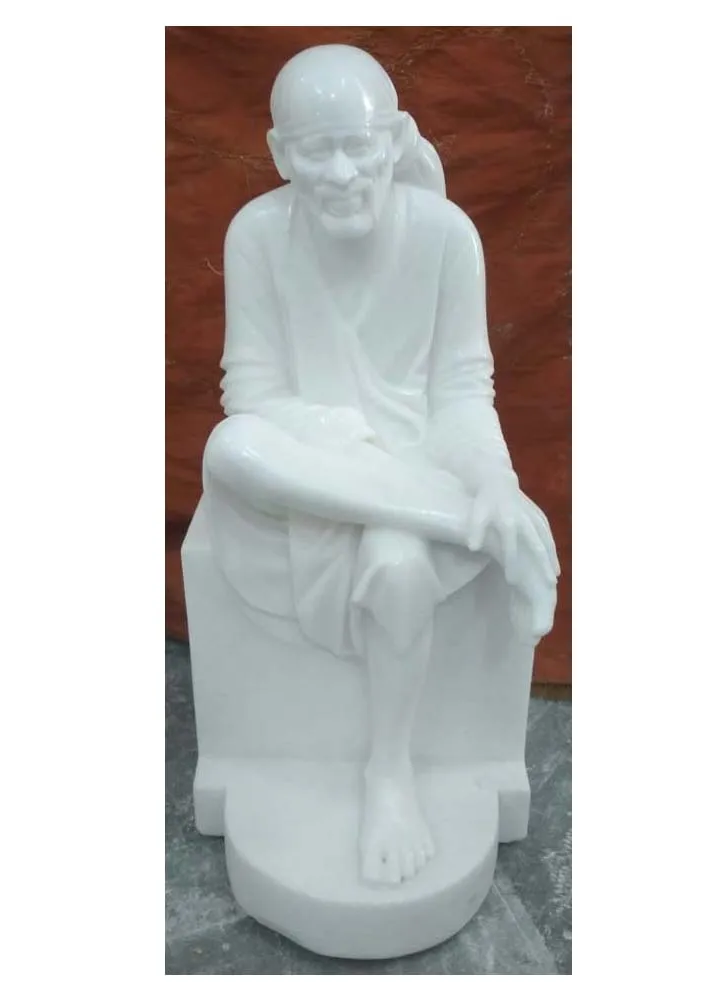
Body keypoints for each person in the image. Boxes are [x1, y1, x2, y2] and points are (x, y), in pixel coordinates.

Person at [201, 44, 559, 886]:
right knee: (230, 447)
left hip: (420, 456)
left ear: (394, 140)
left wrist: (494, 479)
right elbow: (250, 394)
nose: (339, 172)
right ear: (280, 153)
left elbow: (463, 391)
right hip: (314, 466)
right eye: (314, 151)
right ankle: (457, 523)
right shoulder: (256, 234)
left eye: (358, 147)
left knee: (397, 569)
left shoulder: (446, 236)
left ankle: (389, 774)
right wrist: (337, 440)